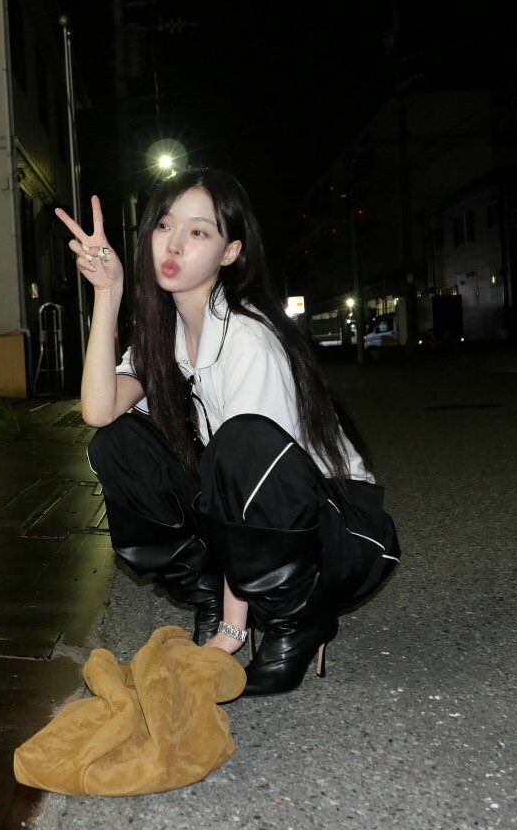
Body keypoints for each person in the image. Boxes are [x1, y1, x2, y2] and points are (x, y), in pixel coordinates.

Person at [56, 168, 399, 697]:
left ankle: (295, 619)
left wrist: (231, 636)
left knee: (238, 444)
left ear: (231, 252)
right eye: (165, 225)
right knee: (118, 446)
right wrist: (109, 293)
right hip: (260, 523)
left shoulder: (248, 339)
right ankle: (212, 598)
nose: (174, 244)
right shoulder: (166, 334)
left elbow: (249, 477)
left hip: (337, 535)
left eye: (198, 232)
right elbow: (99, 410)